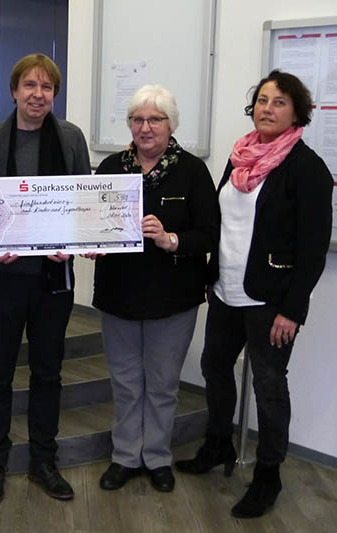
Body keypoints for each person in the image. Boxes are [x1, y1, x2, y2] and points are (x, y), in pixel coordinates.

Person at [175, 70, 332, 518]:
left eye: (279, 102)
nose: (268, 108)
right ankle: (218, 445)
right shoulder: (240, 158)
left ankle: (268, 475)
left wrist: (293, 311)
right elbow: (227, 224)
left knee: (268, 386)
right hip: (227, 291)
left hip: (271, 303)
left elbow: (313, 250)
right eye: (262, 100)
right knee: (214, 368)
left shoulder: (308, 169)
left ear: (297, 112)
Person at [89, 85, 218, 493]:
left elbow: (210, 235)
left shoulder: (193, 171)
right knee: (125, 383)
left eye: (155, 119)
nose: (145, 128)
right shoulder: (110, 167)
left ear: (170, 124)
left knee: (162, 385)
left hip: (173, 298)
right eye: (138, 119)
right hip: (118, 295)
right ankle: (126, 456)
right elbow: (90, 223)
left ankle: (158, 456)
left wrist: (170, 239)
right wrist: (91, 244)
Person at [0, 54, 90, 505]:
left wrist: (74, 238)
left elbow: (82, 199)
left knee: (48, 371)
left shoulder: (71, 138)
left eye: (47, 87)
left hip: (53, 276)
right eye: (29, 85)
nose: (38, 94)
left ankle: (44, 460)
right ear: (14, 90)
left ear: (54, 94)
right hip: (4, 277)